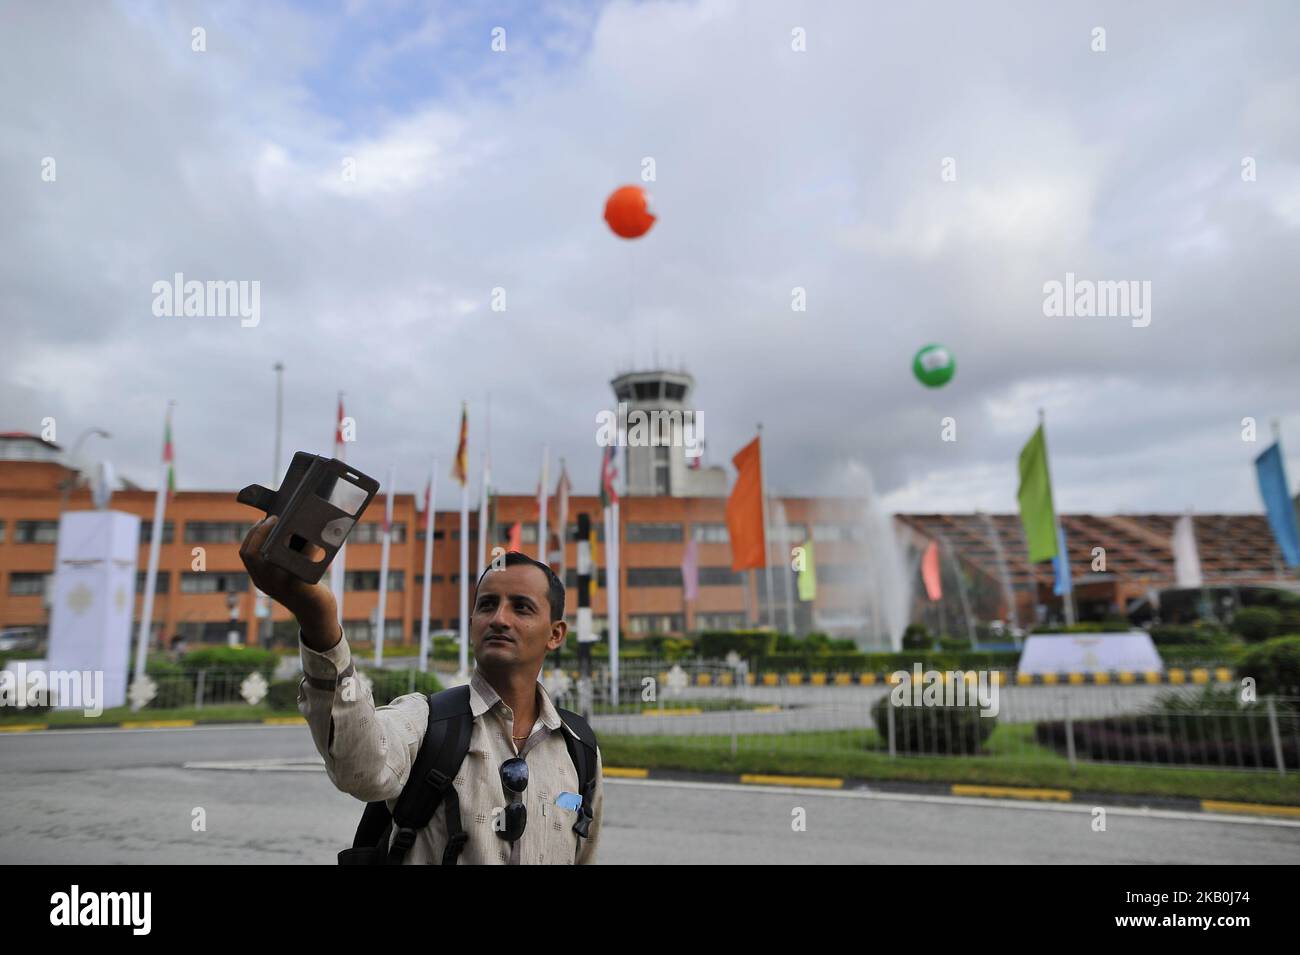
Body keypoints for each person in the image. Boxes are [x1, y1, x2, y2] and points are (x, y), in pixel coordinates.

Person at [238, 516, 603, 864]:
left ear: (555, 634)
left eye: (521, 607)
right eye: (487, 605)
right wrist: (320, 625)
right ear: (473, 620)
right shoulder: (427, 721)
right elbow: (360, 768)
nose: (499, 619)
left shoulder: (579, 749)